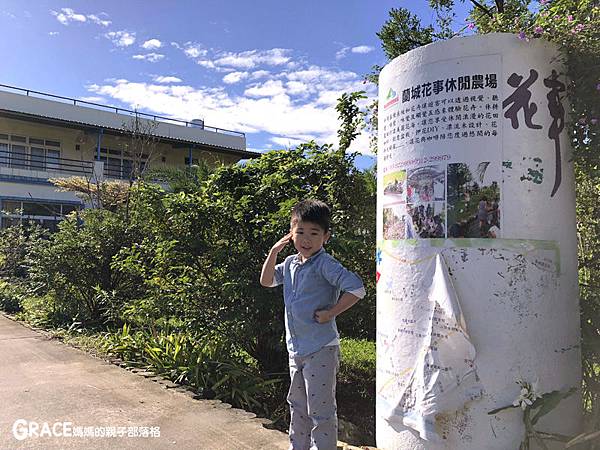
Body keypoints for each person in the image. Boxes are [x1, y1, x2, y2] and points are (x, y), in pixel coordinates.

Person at [260, 199, 365, 450]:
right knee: (297, 405)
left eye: (314, 233)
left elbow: (357, 288)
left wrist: (331, 313)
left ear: (325, 236)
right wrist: (274, 251)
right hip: (296, 348)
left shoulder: (325, 264)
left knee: (321, 410)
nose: (306, 239)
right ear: (291, 233)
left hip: (321, 348)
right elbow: (266, 281)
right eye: (300, 232)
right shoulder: (291, 264)